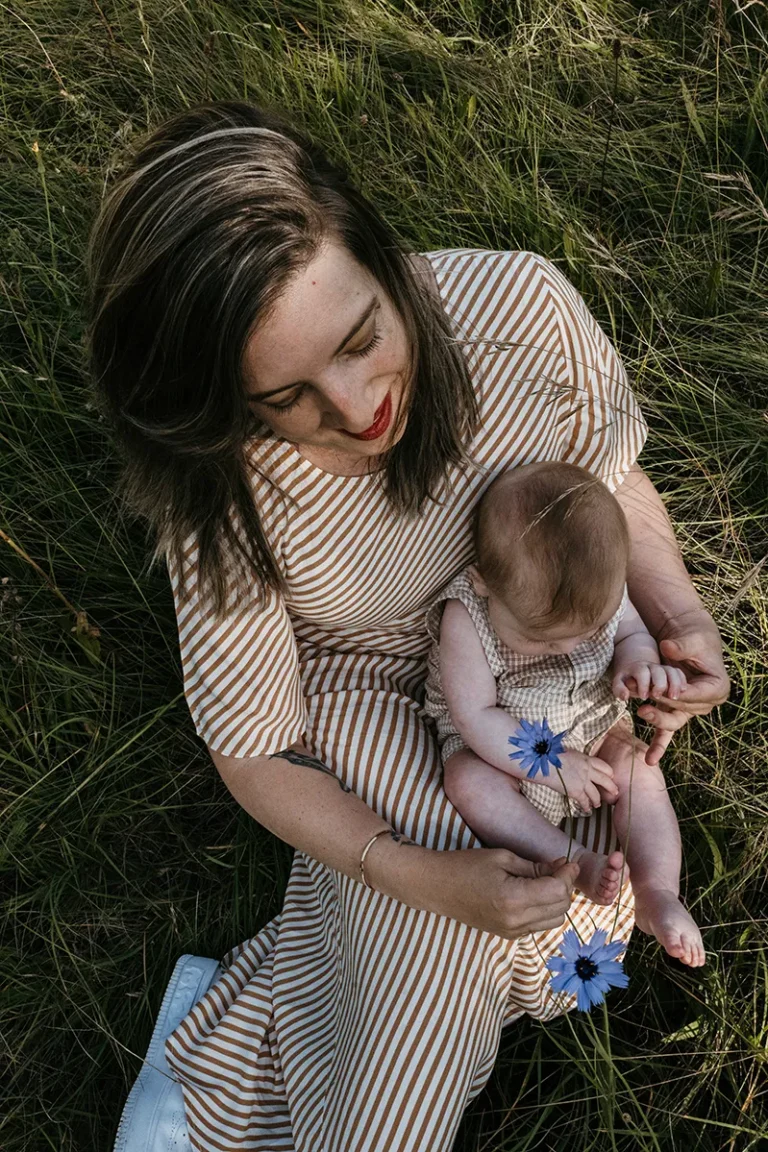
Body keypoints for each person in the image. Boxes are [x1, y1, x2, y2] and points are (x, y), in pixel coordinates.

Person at [86, 99, 729, 1152]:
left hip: (552, 657)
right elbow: (255, 754)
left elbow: (610, 484)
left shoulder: (519, 311)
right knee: (443, 911)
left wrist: (673, 611)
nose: (353, 407)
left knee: (560, 870)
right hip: (365, 675)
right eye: (286, 395)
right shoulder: (223, 497)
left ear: (383, 256)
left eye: (361, 338)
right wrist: (408, 872)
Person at [424, 460, 706, 970]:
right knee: (465, 780)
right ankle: (569, 856)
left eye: (588, 629)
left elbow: (632, 636)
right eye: (541, 638)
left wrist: (638, 666)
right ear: (483, 582)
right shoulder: (465, 614)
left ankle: (657, 891)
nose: (571, 647)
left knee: (639, 769)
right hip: (501, 750)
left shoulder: (600, 587)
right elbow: (475, 715)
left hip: (594, 729)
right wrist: (553, 764)